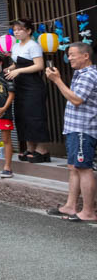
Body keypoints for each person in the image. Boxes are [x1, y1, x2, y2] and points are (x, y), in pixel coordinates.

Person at [45, 42, 97, 221]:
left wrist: (57, 80)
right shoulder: (80, 73)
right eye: (69, 54)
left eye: (73, 54)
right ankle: (70, 206)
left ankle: (89, 212)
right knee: (73, 167)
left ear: (85, 56)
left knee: (83, 168)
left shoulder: (89, 74)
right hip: (75, 127)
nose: (69, 58)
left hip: (83, 128)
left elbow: (76, 100)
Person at [6, 19, 51, 162]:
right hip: (20, 86)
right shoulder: (16, 45)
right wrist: (11, 69)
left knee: (35, 116)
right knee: (23, 116)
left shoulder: (34, 45)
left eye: (20, 29)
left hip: (33, 86)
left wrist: (18, 70)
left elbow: (39, 65)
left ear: (29, 31)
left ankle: (42, 150)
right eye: (15, 29)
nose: (17, 32)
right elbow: (16, 63)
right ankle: (30, 148)